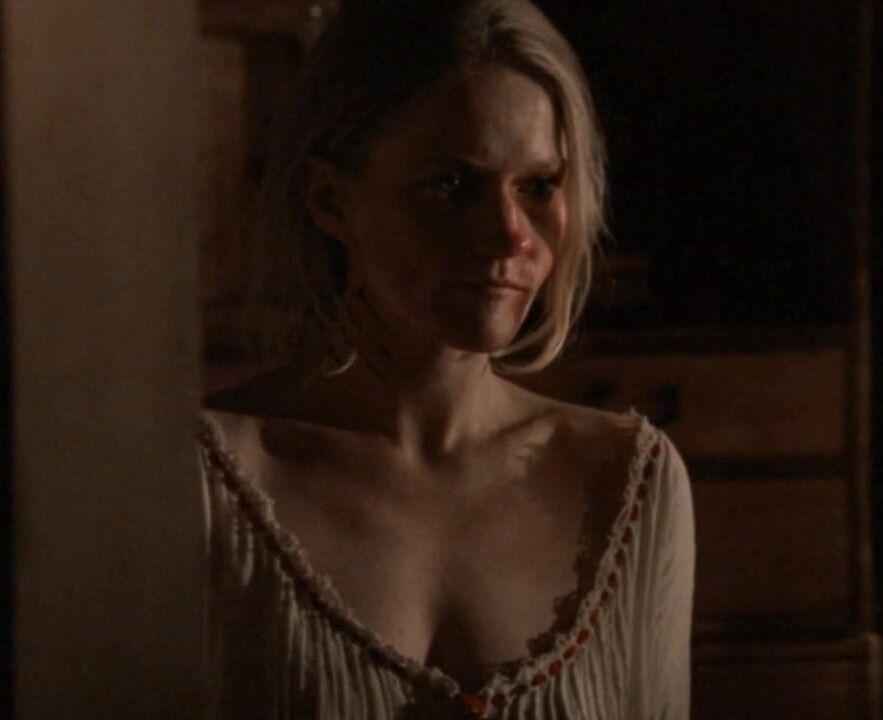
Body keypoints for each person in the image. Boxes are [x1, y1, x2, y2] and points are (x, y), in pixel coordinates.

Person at [197, 0, 695, 717]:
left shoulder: (629, 482)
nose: (509, 234)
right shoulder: (210, 484)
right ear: (329, 201)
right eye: (452, 186)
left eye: (538, 186)